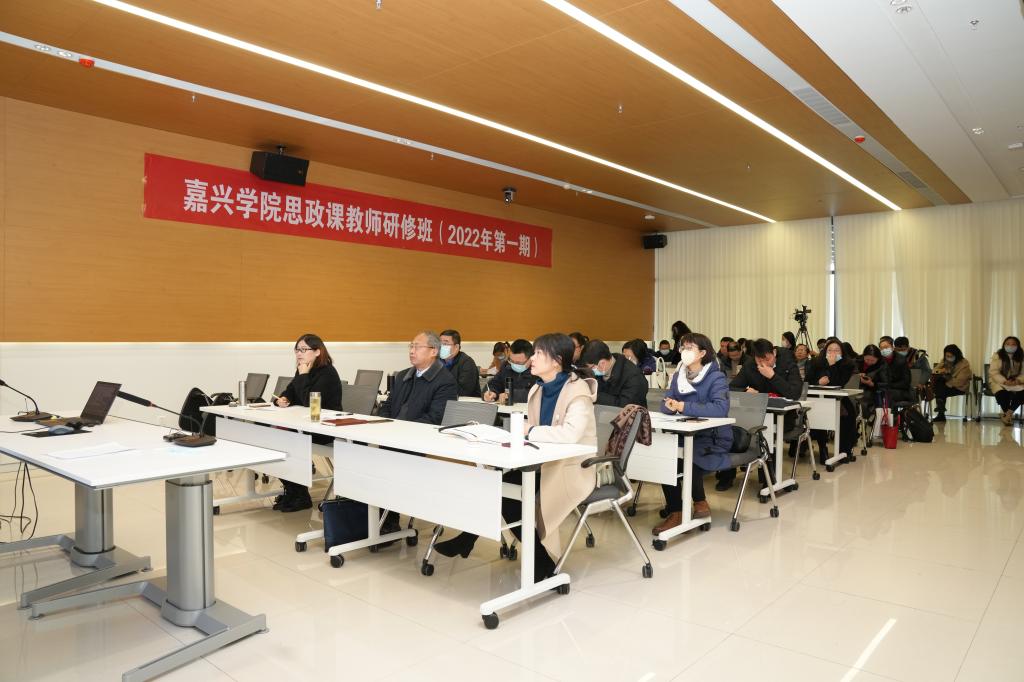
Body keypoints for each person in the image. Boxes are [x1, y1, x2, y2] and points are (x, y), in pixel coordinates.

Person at [653, 332, 733, 534]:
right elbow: (666, 403)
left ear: (702, 353)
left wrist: (683, 406)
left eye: (689, 348)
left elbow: (720, 409)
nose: (684, 351)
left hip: (712, 437)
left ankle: (699, 502)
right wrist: (669, 406)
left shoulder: (716, 377)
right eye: (683, 347)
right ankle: (676, 511)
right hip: (684, 434)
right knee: (665, 458)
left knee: (689, 457)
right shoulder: (679, 375)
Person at [719, 338, 803, 490]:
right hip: (755, 415)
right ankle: (727, 475)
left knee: (767, 435)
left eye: (767, 359)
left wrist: (772, 376)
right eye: (759, 360)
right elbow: (732, 388)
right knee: (732, 429)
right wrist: (745, 391)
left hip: (781, 417)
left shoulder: (788, 364)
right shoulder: (750, 365)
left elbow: (794, 393)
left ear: (774, 353)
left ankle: (769, 480)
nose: (763, 364)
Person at [273, 333, 342, 512]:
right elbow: (290, 391)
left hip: (325, 429)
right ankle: (293, 491)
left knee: (285, 440)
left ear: (318, 352)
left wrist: (303, 375)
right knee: (273, 437)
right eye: (297, 350)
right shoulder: (302, 369)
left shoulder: (327, 372)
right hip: (306, 426)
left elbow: (310, 403)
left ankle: (300, 495)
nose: (299, 354)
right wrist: (282, 399)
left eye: (304, 350)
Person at [379, 331, 459, 424]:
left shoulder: (446, 381)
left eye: (417, 347)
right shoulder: (402, 376)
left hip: (417, 431)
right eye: (411, 346)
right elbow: (387, 406)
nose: (412, 351)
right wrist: (385, 424)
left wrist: (401, 428)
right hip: (391, 428)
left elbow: (435, 418)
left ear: (434, 351)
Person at [805, 339, 857, 462]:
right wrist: (818, 382)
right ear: (825, 351)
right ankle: (822, 447)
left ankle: (844, 450)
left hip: (838, 397)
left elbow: (839, 382)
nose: (833, 353)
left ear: (842, 352)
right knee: (818, 414)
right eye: (830, 350)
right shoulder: (816, 362)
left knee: (848, 414)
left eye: (836, 350)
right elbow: (807, 381)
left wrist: (832, 365)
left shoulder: (847, 364)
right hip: (818, 397)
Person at [580, 339, 649, 408]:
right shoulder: (602, 372)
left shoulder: (634, 377)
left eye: (591, 367)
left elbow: (625, 407)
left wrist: (596, 396)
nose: (591, 371)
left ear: (602, 363)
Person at [483, 338, 535, 404]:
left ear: (531, 359)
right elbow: (494, 383)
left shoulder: (538, 371)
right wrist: (491, 392)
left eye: (519, 363)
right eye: (511, 361)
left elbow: (537, 393)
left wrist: (511, 394)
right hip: (507, 409)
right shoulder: (506, 366)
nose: (514, 365)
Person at [930, 344, 971, 422]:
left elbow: (960, 382)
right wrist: (942, 370)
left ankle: (941, 413)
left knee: (939, 387)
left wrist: (947, 378)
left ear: (956, 355)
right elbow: (934, 371)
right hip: (945, 387)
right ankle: (941, 408)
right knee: (939, 383)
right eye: (947, 356)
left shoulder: (964, 363)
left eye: (950, 356)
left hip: (959, 388)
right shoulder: (944, 361)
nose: (948, 358)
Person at [989, 336, 1024, 426]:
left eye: (1013, 344)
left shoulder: (1021, 356)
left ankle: (1008, 414)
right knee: (1002, 393)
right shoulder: (997, 355)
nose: (1010, 346)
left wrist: (1018, 380)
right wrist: (1004, 381)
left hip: (1015, 382)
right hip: (999, 381)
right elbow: (994, 372)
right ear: (1004, 345)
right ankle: (1007, 416)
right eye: (1008, 344)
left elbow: (1023, 373)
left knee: (1022, 392)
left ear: (1017, 346)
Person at [438, 329, 481, 397]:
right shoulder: (436, 361)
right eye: (440, 344)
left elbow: (464, 391)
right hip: (442, 399)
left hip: (464, 401)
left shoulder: (467, 362)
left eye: (445, 344)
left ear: (456, 347)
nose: (441, 347)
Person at [878, 337, 913, 403]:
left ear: (892, 347)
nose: (884, 350)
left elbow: (906, 382)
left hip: (901, 391)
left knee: (886, 395)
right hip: (885, 389)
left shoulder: (901, 360)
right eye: (881, 348)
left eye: (886, 347)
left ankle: (888, 410)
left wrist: (889, 385)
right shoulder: (880, 360)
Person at [856, 344, 886, 418]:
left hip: (874, 392)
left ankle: (867, 419)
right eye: (867, 359)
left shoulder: (883, 366)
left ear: (878, 358)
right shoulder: (857, 362)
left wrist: (872, 384)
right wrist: (857, 375)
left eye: (872, 360)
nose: (869, 362)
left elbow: (886, 384)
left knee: (864, 401)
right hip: (856, 389)